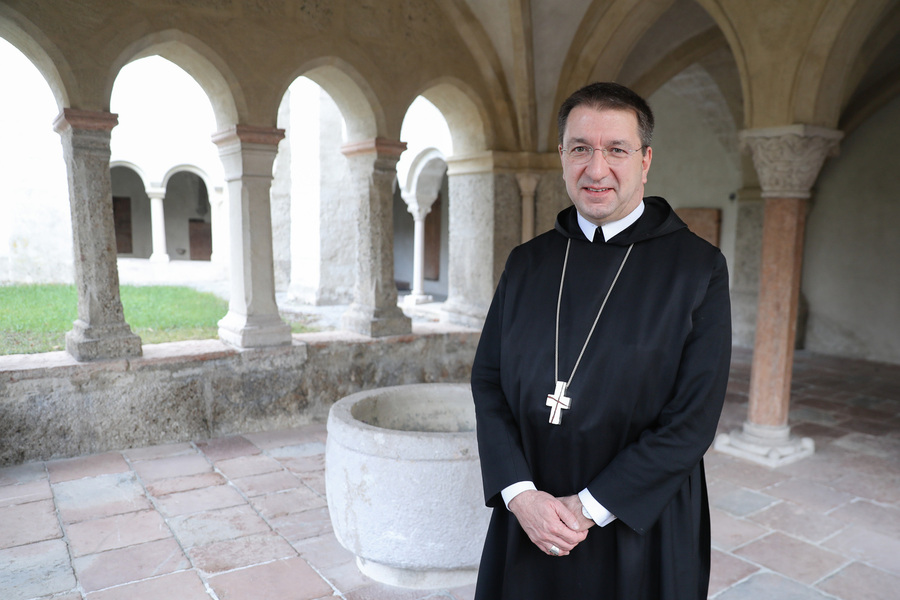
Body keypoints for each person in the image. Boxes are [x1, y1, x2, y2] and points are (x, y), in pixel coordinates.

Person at [470, 81, 732, 600]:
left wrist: (587, 507)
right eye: (581, 148)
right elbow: (489, 380)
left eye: (616, 149)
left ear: (646, 159)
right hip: (532, 518)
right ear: (562, 157)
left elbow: (692, 420)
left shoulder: (697, 269)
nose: (596, 169)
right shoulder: (528, 262)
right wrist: (520, 495)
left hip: (639, 523)